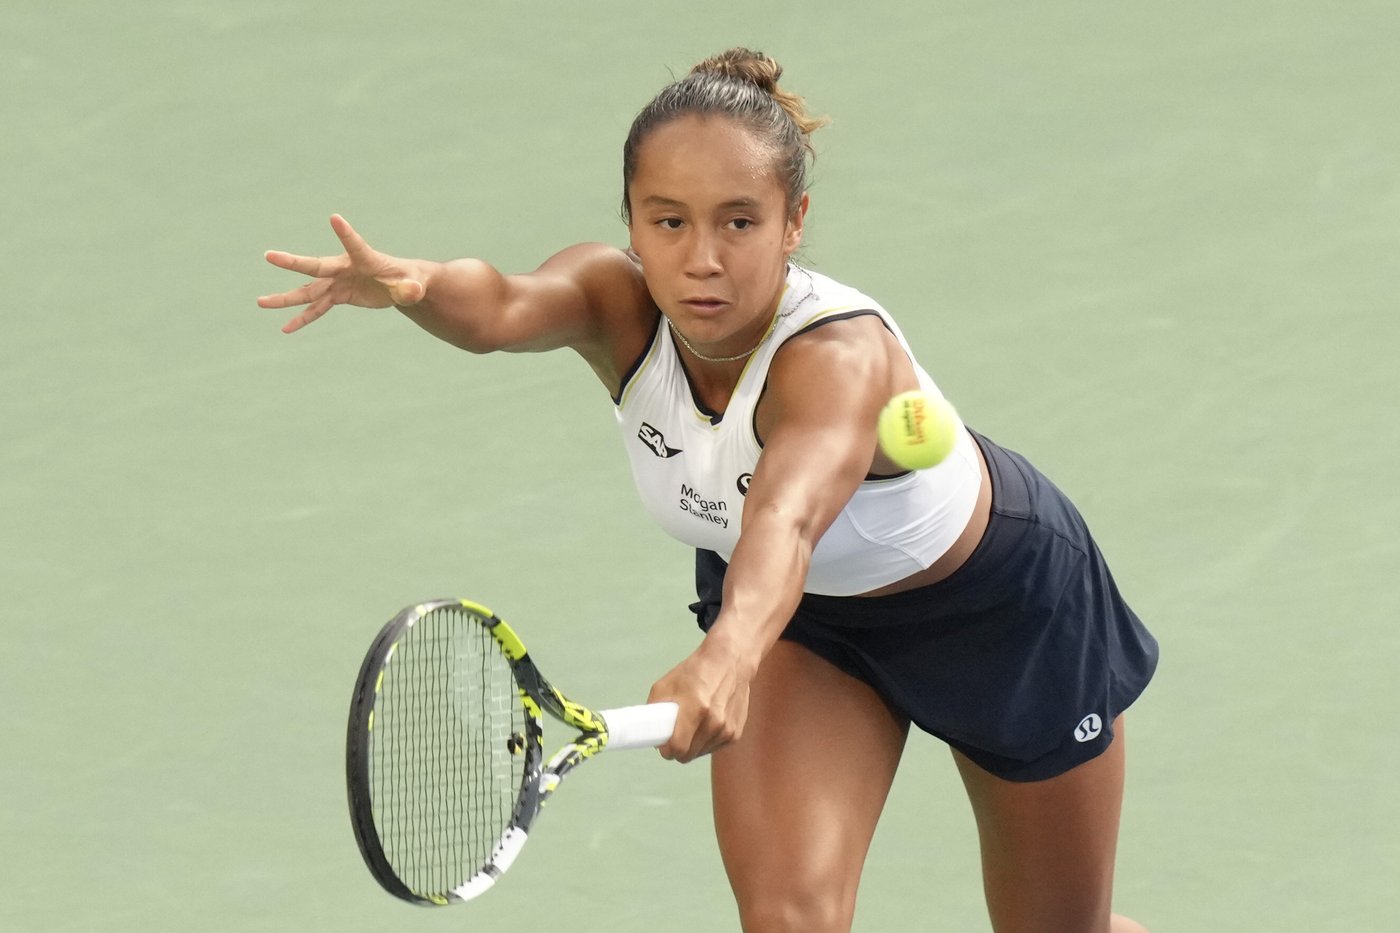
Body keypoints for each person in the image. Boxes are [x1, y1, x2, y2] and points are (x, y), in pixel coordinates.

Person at [259, 48, 1158, 933]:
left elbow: (788, 517)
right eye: (668, 222)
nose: (701, 260)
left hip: (1000, 616)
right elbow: (497, 305)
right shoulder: (616, 302)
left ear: (793, 220)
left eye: (738, 222)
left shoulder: (836, 360)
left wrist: (727, 656)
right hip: (808, 627)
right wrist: (416, 286)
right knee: (786, 919)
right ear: (632, 222)